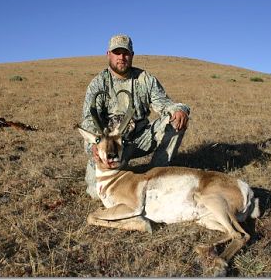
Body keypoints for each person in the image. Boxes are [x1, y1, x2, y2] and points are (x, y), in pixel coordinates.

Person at [80, 34, 190, 199]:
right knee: (97, 193)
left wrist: (180, 109)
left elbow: (164, 104)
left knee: (175, 120)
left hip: (140, 139)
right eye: (117, 52)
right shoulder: (98, 83)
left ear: (132, 55)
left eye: (125, 53)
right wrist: (94, 148)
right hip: (110, 146)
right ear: (108, 54)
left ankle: (157, 176)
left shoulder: (145, 79)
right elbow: (89, 121)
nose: (121, 57)